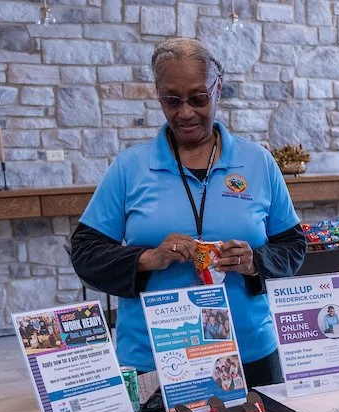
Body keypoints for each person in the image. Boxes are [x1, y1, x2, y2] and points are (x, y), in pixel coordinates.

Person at [71, 38, 306, 389]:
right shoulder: (129, 167)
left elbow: (293, 245)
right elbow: (85, 253)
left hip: (250, 355)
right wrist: (148, 258)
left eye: (199, 98)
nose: (185, 112)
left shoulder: (258, 162)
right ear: (158, 94)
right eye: (172, 100)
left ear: (218, 88)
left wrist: (254, 261)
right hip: (154, 360)